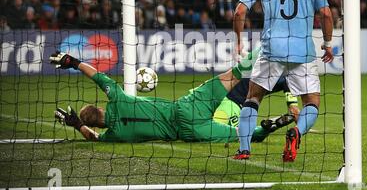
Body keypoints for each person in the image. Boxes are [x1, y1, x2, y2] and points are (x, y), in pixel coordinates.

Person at [233, 0, 334, 161]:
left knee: (253, 97)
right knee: (311, 102)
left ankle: (244, 150)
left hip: (272, 49)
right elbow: (327, 14)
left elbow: (240, 11)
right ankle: (296, 132)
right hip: (303, 50)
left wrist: (239, 41)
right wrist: (328, 44)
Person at [50, 50, 293, 144]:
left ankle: (267, 128)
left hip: (187, 133)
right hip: (185, 108)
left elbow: (94, 138)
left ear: (97, 122)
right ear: (100, 108)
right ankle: (266, 44)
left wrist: (78, 125)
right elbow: (98, 77)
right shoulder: (118, 99)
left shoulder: (114, 136)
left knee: (242, 135)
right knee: (234, 75)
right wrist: (74, 62)